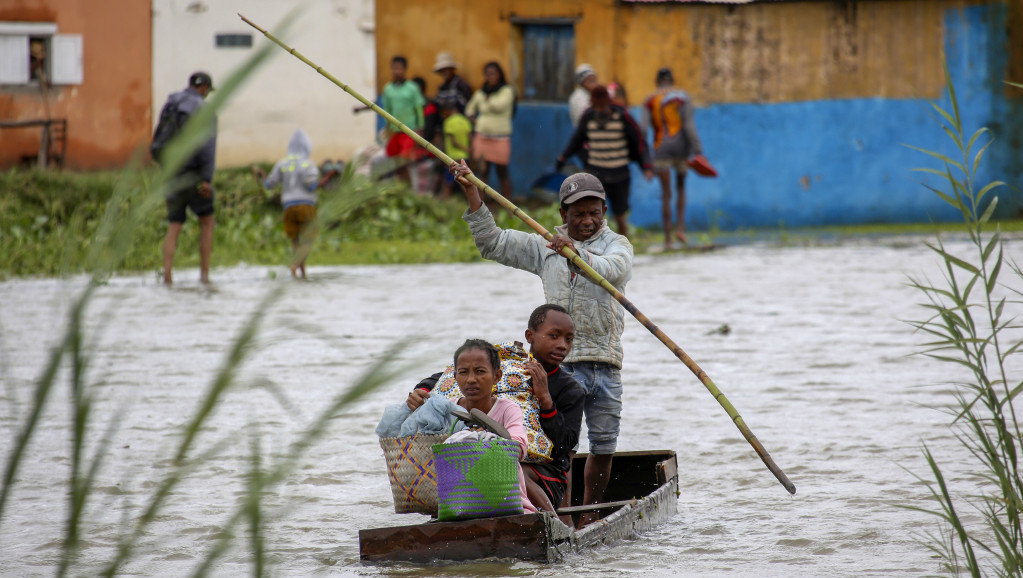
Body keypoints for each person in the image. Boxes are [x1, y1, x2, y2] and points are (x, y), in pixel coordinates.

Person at [450, 163, 632, 527]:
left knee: (604, 443)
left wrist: (576, 255)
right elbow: (492, 242)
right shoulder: (545, 247)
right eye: (578, 214)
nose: (586, 221)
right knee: (559, 449)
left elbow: (615, 269)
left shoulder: (617, 244)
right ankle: (562, 517)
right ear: (563, 214)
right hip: (561, 369)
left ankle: (590, 514)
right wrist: (473, 192)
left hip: (605, 363)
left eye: (594, 214)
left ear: (604, 213)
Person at [408, 304, 585, 514]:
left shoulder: (570, 389)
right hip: (487, 457)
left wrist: (545, 399)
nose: (562, 345)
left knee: (512, 469)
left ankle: (546, 522)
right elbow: (450, 375)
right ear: (530, 336)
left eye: (569, 339)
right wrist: (422, 389)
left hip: (543, 471)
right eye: (554, 336)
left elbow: (566, 445)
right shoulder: (508, 366)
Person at [557, 85, 654, 237]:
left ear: (609, 102)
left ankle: (623, 246)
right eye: (597, 105)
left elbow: (639, 141)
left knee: (620, 214)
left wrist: (646, 166)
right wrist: (562, 158)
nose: (600, 109)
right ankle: (594, 248)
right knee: (593, 215)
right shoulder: (588, 117)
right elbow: (576, 140)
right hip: (596, 175)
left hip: (620, 173)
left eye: (603, 105)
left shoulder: (623, 116)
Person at [154, 71, 217, 285]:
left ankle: (168, 275)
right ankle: (205, 275)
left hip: (172, 173)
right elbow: (207, 146)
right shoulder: (204, 109)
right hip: (195, 174)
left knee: (175, 224)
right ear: (204, 88)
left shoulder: (171, 104)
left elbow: (159, 139)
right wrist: (206, 178)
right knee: (207, 221)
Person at [252, 129, 337, 279]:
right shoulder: (308, 165)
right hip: (306, 207)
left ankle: (301, 273)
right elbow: (311, 186)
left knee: (296, 242)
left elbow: (268, 185)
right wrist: (328, 177)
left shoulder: (282, 164)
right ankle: (295, 265)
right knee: (308, 240)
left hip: (288, 208)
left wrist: (262, 175)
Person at [643, 67, 704, 248]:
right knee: (681, 189)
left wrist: (645, 158)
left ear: (657, 81)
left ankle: (668, 239)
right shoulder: (683, 97)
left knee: (666, 194)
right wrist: (698, 150)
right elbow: (689, 126)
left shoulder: (650, 100)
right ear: (672, 80)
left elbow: (643, 129)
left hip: (661, 149)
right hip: (682, 149)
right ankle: (680, 230)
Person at [465, 62, 515, 198]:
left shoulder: (507, 90)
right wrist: (472, 117)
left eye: (493, 73)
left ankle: (508, 206)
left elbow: (500, 106)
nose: (490, 76)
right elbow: (470, 107)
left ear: (500, 74)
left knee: (502, 172)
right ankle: (480, 205)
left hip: (501, 137)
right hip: (482, 137)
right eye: (488, 74)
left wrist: (488, 99)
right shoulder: (481, 92)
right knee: (482, 172)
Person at [381, 56, 425, 183]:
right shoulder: (388, 89)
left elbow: (418, 109)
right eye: (394, 68)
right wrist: (387, 129)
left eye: (399, 68)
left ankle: (408, 190)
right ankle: (401, 190)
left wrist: (420, 128)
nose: (396, 71)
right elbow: (387, 111)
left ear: (404, 69)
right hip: (394, 131)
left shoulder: (412, 88)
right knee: (394, 163)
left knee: (403, 162)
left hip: (409, 130)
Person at [438, 95, 473, 198]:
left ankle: (445, 203)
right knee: (465, 181)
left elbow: (453, 141)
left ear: (447, 110)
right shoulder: (465, 121)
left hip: (452, 158)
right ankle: (474, 202)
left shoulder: (448, 122)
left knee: (447, 183)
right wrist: (468, 150)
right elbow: (470, 137)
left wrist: (463, 148)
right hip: (464, 157)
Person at [568, 64, 598, 128]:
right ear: (581, 82)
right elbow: (585, 117)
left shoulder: (589, 94)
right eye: (590, 81)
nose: (594, 84)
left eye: (594, 80)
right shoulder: (578, 97)